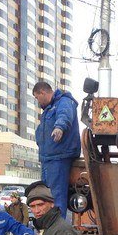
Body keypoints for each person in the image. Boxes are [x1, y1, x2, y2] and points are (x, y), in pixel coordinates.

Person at [33, 80, 80, 219]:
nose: (37, 101)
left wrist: (59, 127)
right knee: (47, 196)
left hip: (59, 156)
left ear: (43, 92)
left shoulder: (64, 101)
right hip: (49, 157)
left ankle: (56, 228)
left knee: (56, 195)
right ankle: (49, 227)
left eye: (37, 97)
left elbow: (64, 115)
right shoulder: (49, 109)